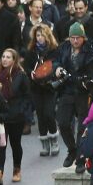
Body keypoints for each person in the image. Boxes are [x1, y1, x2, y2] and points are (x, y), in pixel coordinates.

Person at [54, 22, 93, 173]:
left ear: (83, 37)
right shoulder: (64, 47)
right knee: (63, 122)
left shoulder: (92, 50)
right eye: (72, 37)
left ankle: (81, 158)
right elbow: (55, 59)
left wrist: (92, 81)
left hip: (84, 91)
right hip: (67, 89)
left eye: (78, 38)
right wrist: (57, 68)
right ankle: (72, 149)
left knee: (82, 127)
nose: (75, 41)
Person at [24, 23, 60, 157]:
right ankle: (45, 143)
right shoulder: (31, 51)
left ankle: (54, 140)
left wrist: (49, 74)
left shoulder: (54, 50)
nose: (40, 38)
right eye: (37, 35)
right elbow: (26, 67)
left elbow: (57, 65)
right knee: (40, 115)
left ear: (47, 36)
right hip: (36, 87)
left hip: (49, 86)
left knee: (49, 113)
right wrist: (31, 73)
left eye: (42, 35)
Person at [0, 49, 29, 184]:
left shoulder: (20, 75)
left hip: (16, 116)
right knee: (1, 144)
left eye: (8, 57)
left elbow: (27, 95)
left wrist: (23, 110)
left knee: (15, 144)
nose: (5, 59)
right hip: (1, 116)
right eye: (3, 56)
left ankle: (16, 169)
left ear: (14, 60)